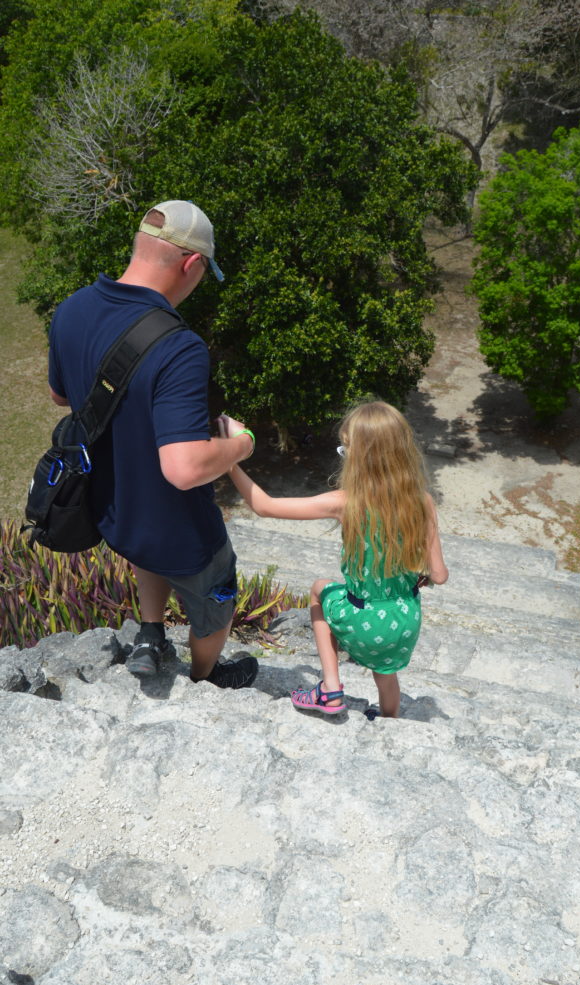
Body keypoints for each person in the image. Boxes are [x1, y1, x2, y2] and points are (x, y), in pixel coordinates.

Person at [48, 200, 258, 689]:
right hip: (179, 527)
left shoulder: (73, 307)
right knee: (218, 602)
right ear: (191, 264)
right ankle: (205, 677)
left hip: (115, 507)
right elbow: (184, 469)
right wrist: (240, 445)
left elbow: (62, 394)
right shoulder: (180, 346)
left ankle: (150, 633)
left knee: (147, 549)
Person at [221, 400, 448, 717]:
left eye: (345, 450)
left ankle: (330, 687)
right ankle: (390, 722)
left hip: (363, 619)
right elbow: (439, 575)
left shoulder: (345, 502)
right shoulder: (423, 501)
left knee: (319, 588)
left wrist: (229, 459)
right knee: (385, 676)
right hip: (404, 622)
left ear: (359, 458)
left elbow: (264, 505)